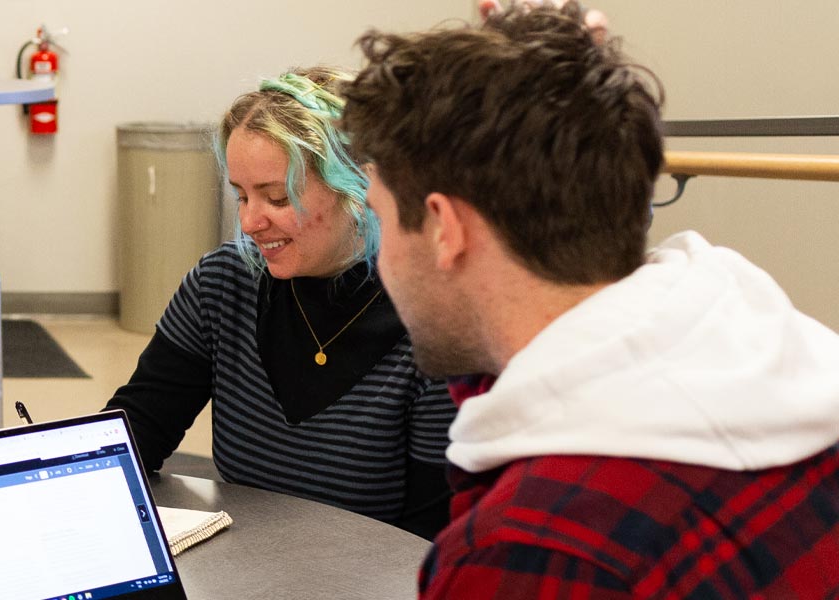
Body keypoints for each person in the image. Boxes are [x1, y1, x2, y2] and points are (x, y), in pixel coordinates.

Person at [343, 2, 839, 596]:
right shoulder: (780, 367)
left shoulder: (525, 550)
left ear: (445, 228)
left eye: (378, 218)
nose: (382, 257)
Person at [104, 66, 457, 539]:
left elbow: (429, 541)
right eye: (241, 196)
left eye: (276, 197)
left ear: (359, 186)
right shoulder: (223, 285)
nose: (250, 222)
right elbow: (130, 440)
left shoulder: (434, 322)